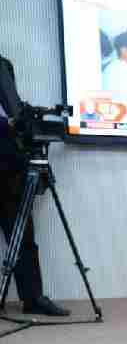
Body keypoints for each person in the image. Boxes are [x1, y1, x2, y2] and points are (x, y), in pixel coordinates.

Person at [0, 54, 70, 316]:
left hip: (10, 166)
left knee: (23, 236)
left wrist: (33, 115)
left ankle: (33, 297)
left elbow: (14, 108)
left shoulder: (3, 64)